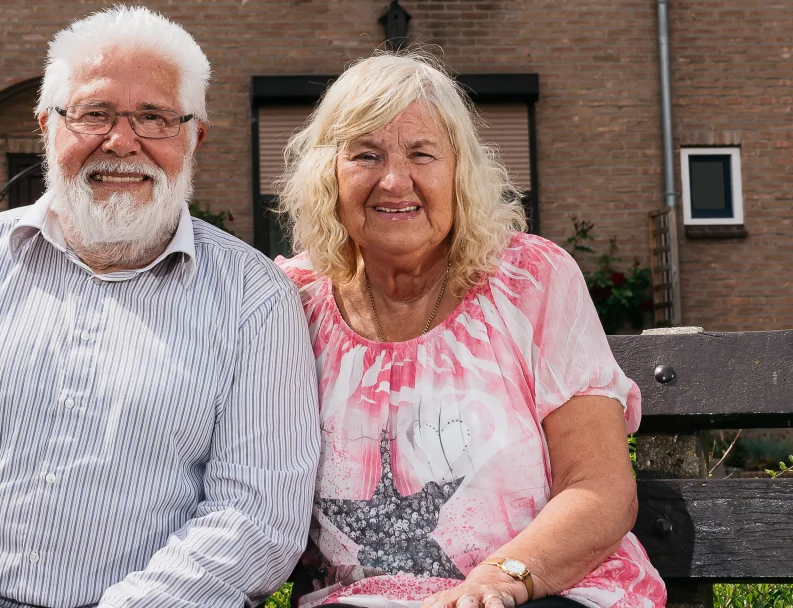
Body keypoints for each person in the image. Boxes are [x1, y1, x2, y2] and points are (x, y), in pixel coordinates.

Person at [0, 5, 319, 608]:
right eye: (94, 114)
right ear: (48, 127)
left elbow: (257, 515)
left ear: (194, 137)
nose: (121, 141)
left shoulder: (253, 299)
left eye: (154, 117)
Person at [275, 52, 665, 608]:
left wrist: (498, 580)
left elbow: (598, 488)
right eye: (366, 154)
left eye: (422, 153)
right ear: (328, 174)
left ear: (459, 171)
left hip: (537, 593)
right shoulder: (291, 302)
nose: (394, 180)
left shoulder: (530, 281)